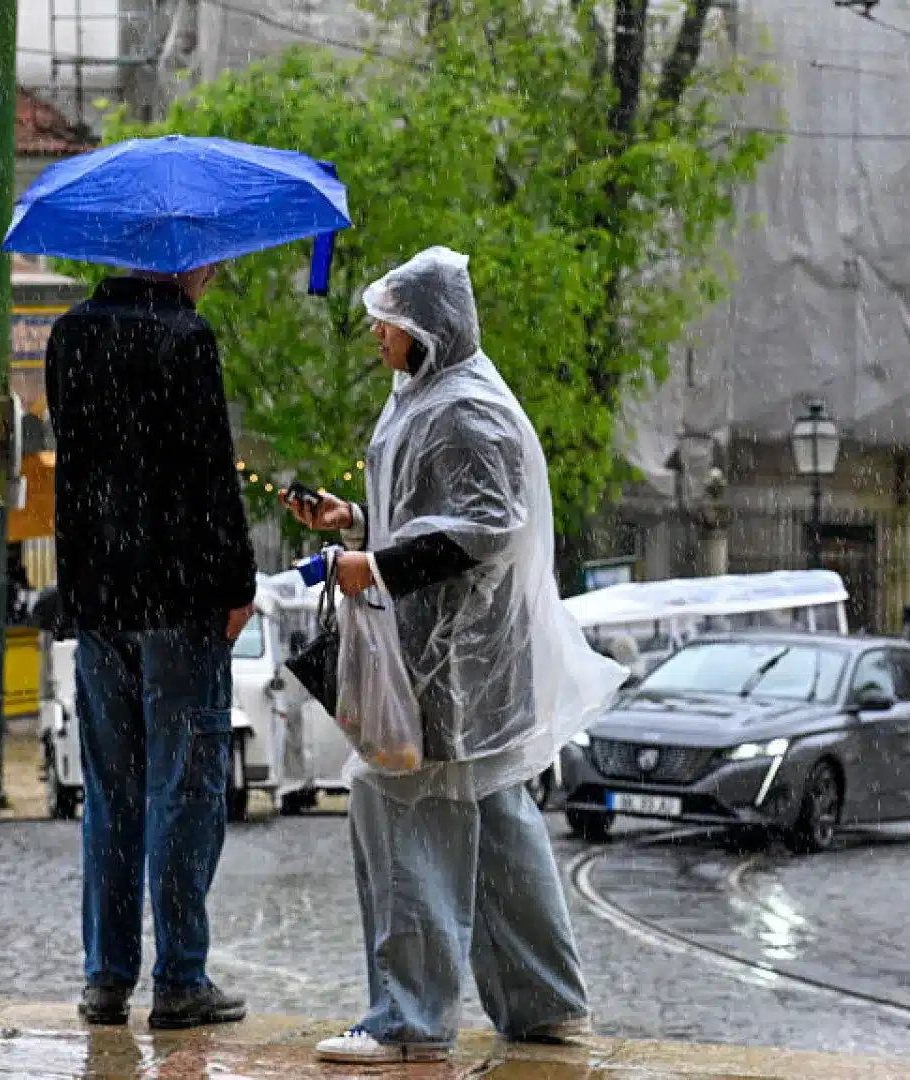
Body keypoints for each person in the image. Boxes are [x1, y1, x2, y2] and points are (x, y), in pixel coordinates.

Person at [279, 247, 623, 1064]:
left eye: (388, 321)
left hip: (451, 662)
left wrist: (380, 565)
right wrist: (356, 524)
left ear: (424, 328)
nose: (375, 333)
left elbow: (482, 529)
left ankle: (409, 1019)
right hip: (450, 655)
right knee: (496, 818)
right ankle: (543, 1002)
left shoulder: (464, 407)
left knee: (399, 809)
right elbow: (430, 513)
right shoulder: (431, 397)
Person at [46, 262, 257, 1030]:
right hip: (179, 601)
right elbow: (209, 480)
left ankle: (106, 977)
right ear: (182, 261)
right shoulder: (184, 338)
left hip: (101, 600)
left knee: (111, 795)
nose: (213, 275)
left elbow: (72, 471)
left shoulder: (68, 337)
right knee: (185, 789)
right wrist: (239, 580)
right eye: (209, 265)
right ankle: (180, 978)